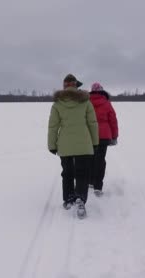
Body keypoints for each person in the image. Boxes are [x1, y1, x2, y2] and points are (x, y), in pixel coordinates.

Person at [48, 74, 99, 219]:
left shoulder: (58, 103)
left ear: (64, 87)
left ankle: (68, 199)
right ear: (76, 86)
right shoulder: (85, 102)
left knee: (68, 173)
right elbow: (92, 124)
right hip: (84, 144)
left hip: (65, 145)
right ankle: (80, 199)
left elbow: (53, 126)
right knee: (82, 173)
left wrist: (52, 145)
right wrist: (95, 143)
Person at [88, 82, 118, 196]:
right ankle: (98, 186)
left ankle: (90, 181)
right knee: (100, 160)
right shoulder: (107, 103)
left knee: (90, 158)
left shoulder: (87, 102)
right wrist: (114, 136)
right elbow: (113, 121)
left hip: (90, 135)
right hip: (104, 136)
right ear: (102, 91)